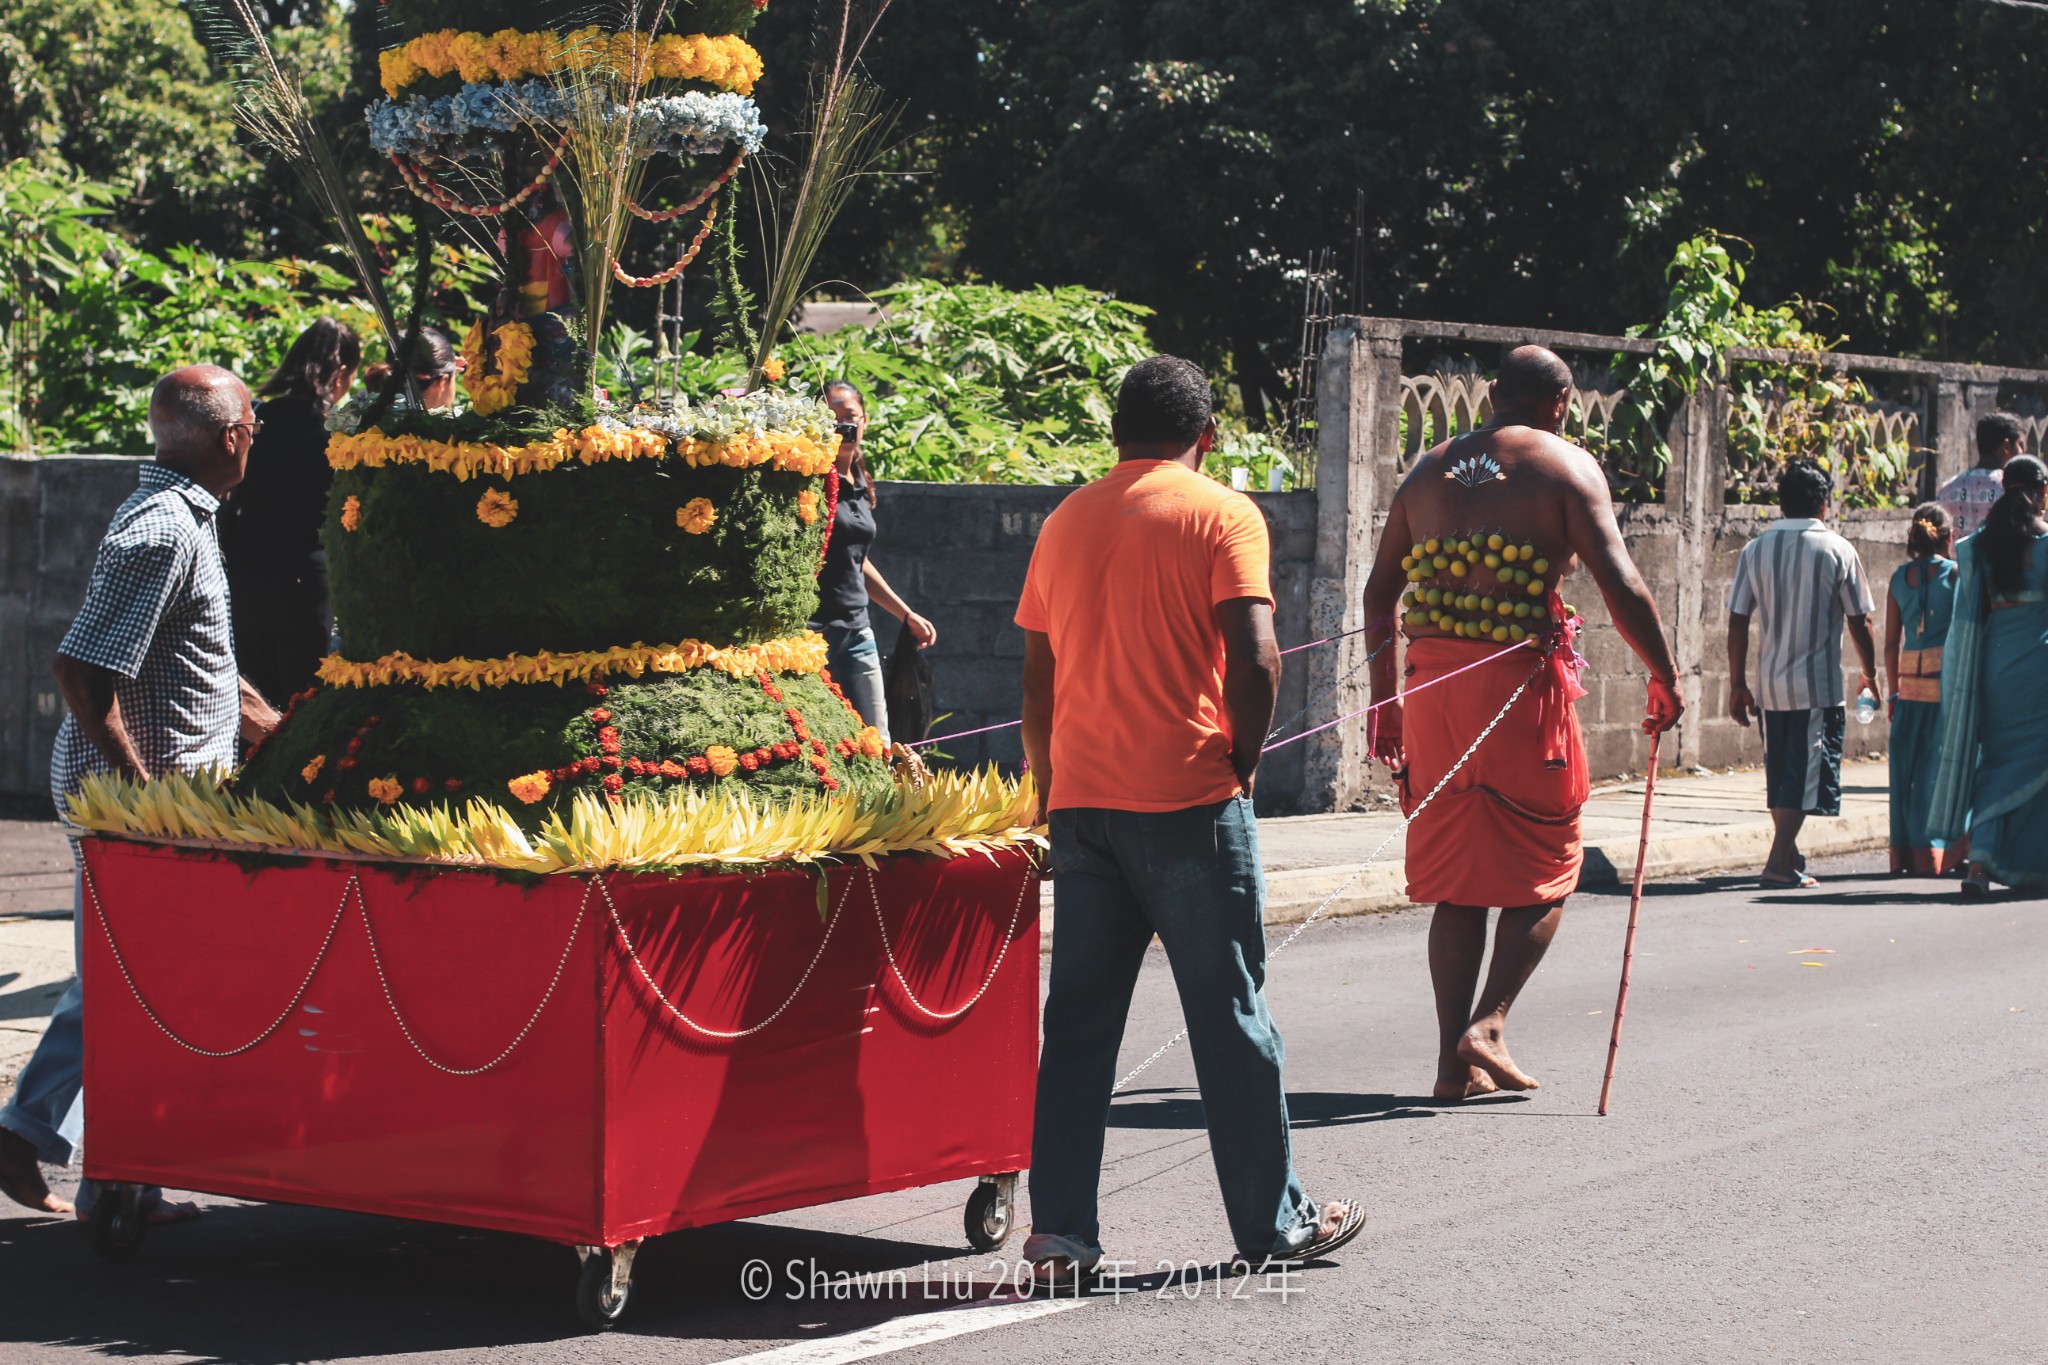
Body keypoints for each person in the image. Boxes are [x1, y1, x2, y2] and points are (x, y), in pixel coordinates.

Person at [1016, 355, 1362, 1275]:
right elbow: (1258, 659)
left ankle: (1060, 1230)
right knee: (1230, 1015)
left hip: (1083, 805)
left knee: (1079, 1025)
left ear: (1116, 433)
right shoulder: (1220, 511)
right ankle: (1273, 1222)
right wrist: (1241, 762)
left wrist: (1049, 793)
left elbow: (1037, 681)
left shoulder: (1064, 521)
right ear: (1206, 436)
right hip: (1187, 800)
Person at [1362, 345, 1683, 1102]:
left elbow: (1380, 594)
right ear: (1562, 404)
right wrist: (1666, 674)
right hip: (1515, 693)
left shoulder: (1426, 471)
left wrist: (1387, 702)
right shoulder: (1566, 467)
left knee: (1460, 883)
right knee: (1548, 864)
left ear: (1491, 397)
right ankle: (1492, 1023)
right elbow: (1622, 580)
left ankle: (1452, 1065)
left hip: (1434, 693)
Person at [0, 366, 281, 1220]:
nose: (259, 435)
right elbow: (81, 671)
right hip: (136, 810)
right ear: (231, 435)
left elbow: (193, 658)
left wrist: (266, 722)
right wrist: (144, 794)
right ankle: (76, 1158)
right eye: (254, 422)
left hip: (163, 803)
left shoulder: (183, 516)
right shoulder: (163, 526)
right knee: (130, 988)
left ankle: (81, 1158)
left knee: (128, 986)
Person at [1726, 459, 1879, 889]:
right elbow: (1859, 620)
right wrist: (1870, 673)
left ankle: (1789, 857)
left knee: (1782, 774)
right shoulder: (1837, 549)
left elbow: (1737, 619)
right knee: (1806, 778)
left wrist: (1737, 683)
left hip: (1771, 686)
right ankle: (1778, 863)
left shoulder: (1755, 549)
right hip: (1818, 687)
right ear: (1824, 504)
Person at [1928, 455, 2048, 895]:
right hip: (2038, 665)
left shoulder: (1979, 545)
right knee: (2035, 765)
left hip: (1993, 665)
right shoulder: (2047, 543)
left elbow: (1969, 618)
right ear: (2042, 492)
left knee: (1997, 763)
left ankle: (1979, 865)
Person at [224, 317, 360, 704]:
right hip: (306, 580)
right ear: (343, 372)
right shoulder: (338, 430)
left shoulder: (257, 420)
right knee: (302, 702)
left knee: (253, 696)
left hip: (247, 575)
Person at [808, 379, 934, 748]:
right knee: (822, 739)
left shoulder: (859, 480)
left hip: (856, 629)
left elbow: (857, 561)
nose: (843, 428)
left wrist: (906, 614)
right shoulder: (809, 479)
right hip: (811, 633)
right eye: (832, 419)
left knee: (877, 739)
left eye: (850, 418)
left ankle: (878, 807)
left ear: (864, 421)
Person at [1883, 504, 1963, 876]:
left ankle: (1903, 854)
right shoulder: (1956, 576)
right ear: (1949, 537)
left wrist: (1893, 692)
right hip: (1944, 690)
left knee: (1905, 773)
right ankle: (1935, 854)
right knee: (1938, 772)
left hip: (1909, 691)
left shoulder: (1899, 578)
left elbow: (1889, 644)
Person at [1936, 412, 2023, 542]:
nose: (2022, 452)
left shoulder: (1948, 488)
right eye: (2020, 445)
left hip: (1957, 562)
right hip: (2000, 562)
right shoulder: (2011, 488)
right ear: (2006, 446)